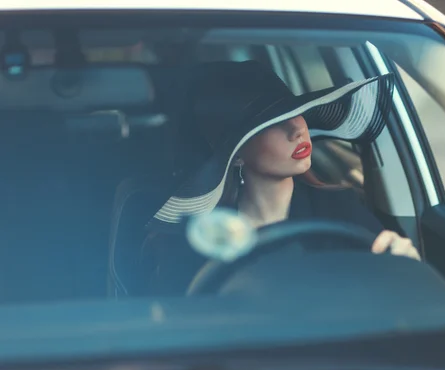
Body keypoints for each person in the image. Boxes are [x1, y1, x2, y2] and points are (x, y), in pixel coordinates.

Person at [136, 60, 420, 296]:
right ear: (235, 154)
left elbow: (385, 301)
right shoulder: (198, 236)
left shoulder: (340, 209)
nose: (297, 128)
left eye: (296, 111)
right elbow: (173, 322)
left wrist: (408, 269)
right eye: (271, 122)